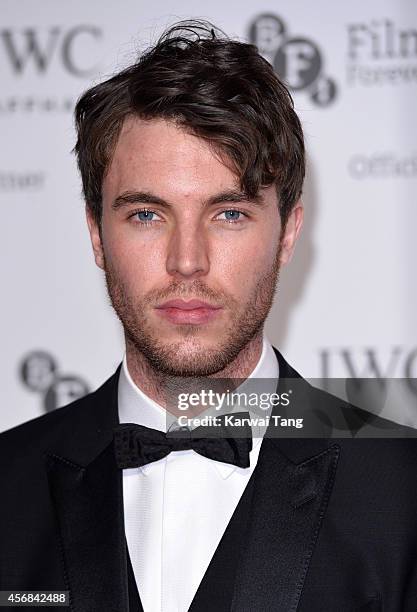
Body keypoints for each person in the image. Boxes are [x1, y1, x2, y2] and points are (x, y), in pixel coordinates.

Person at [1, 20, 416, 612]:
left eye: (229, 214)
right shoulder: (7, 486)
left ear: (288, 233)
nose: (187, 262)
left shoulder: (400, 492)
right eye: (147, 215)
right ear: (97, 235)